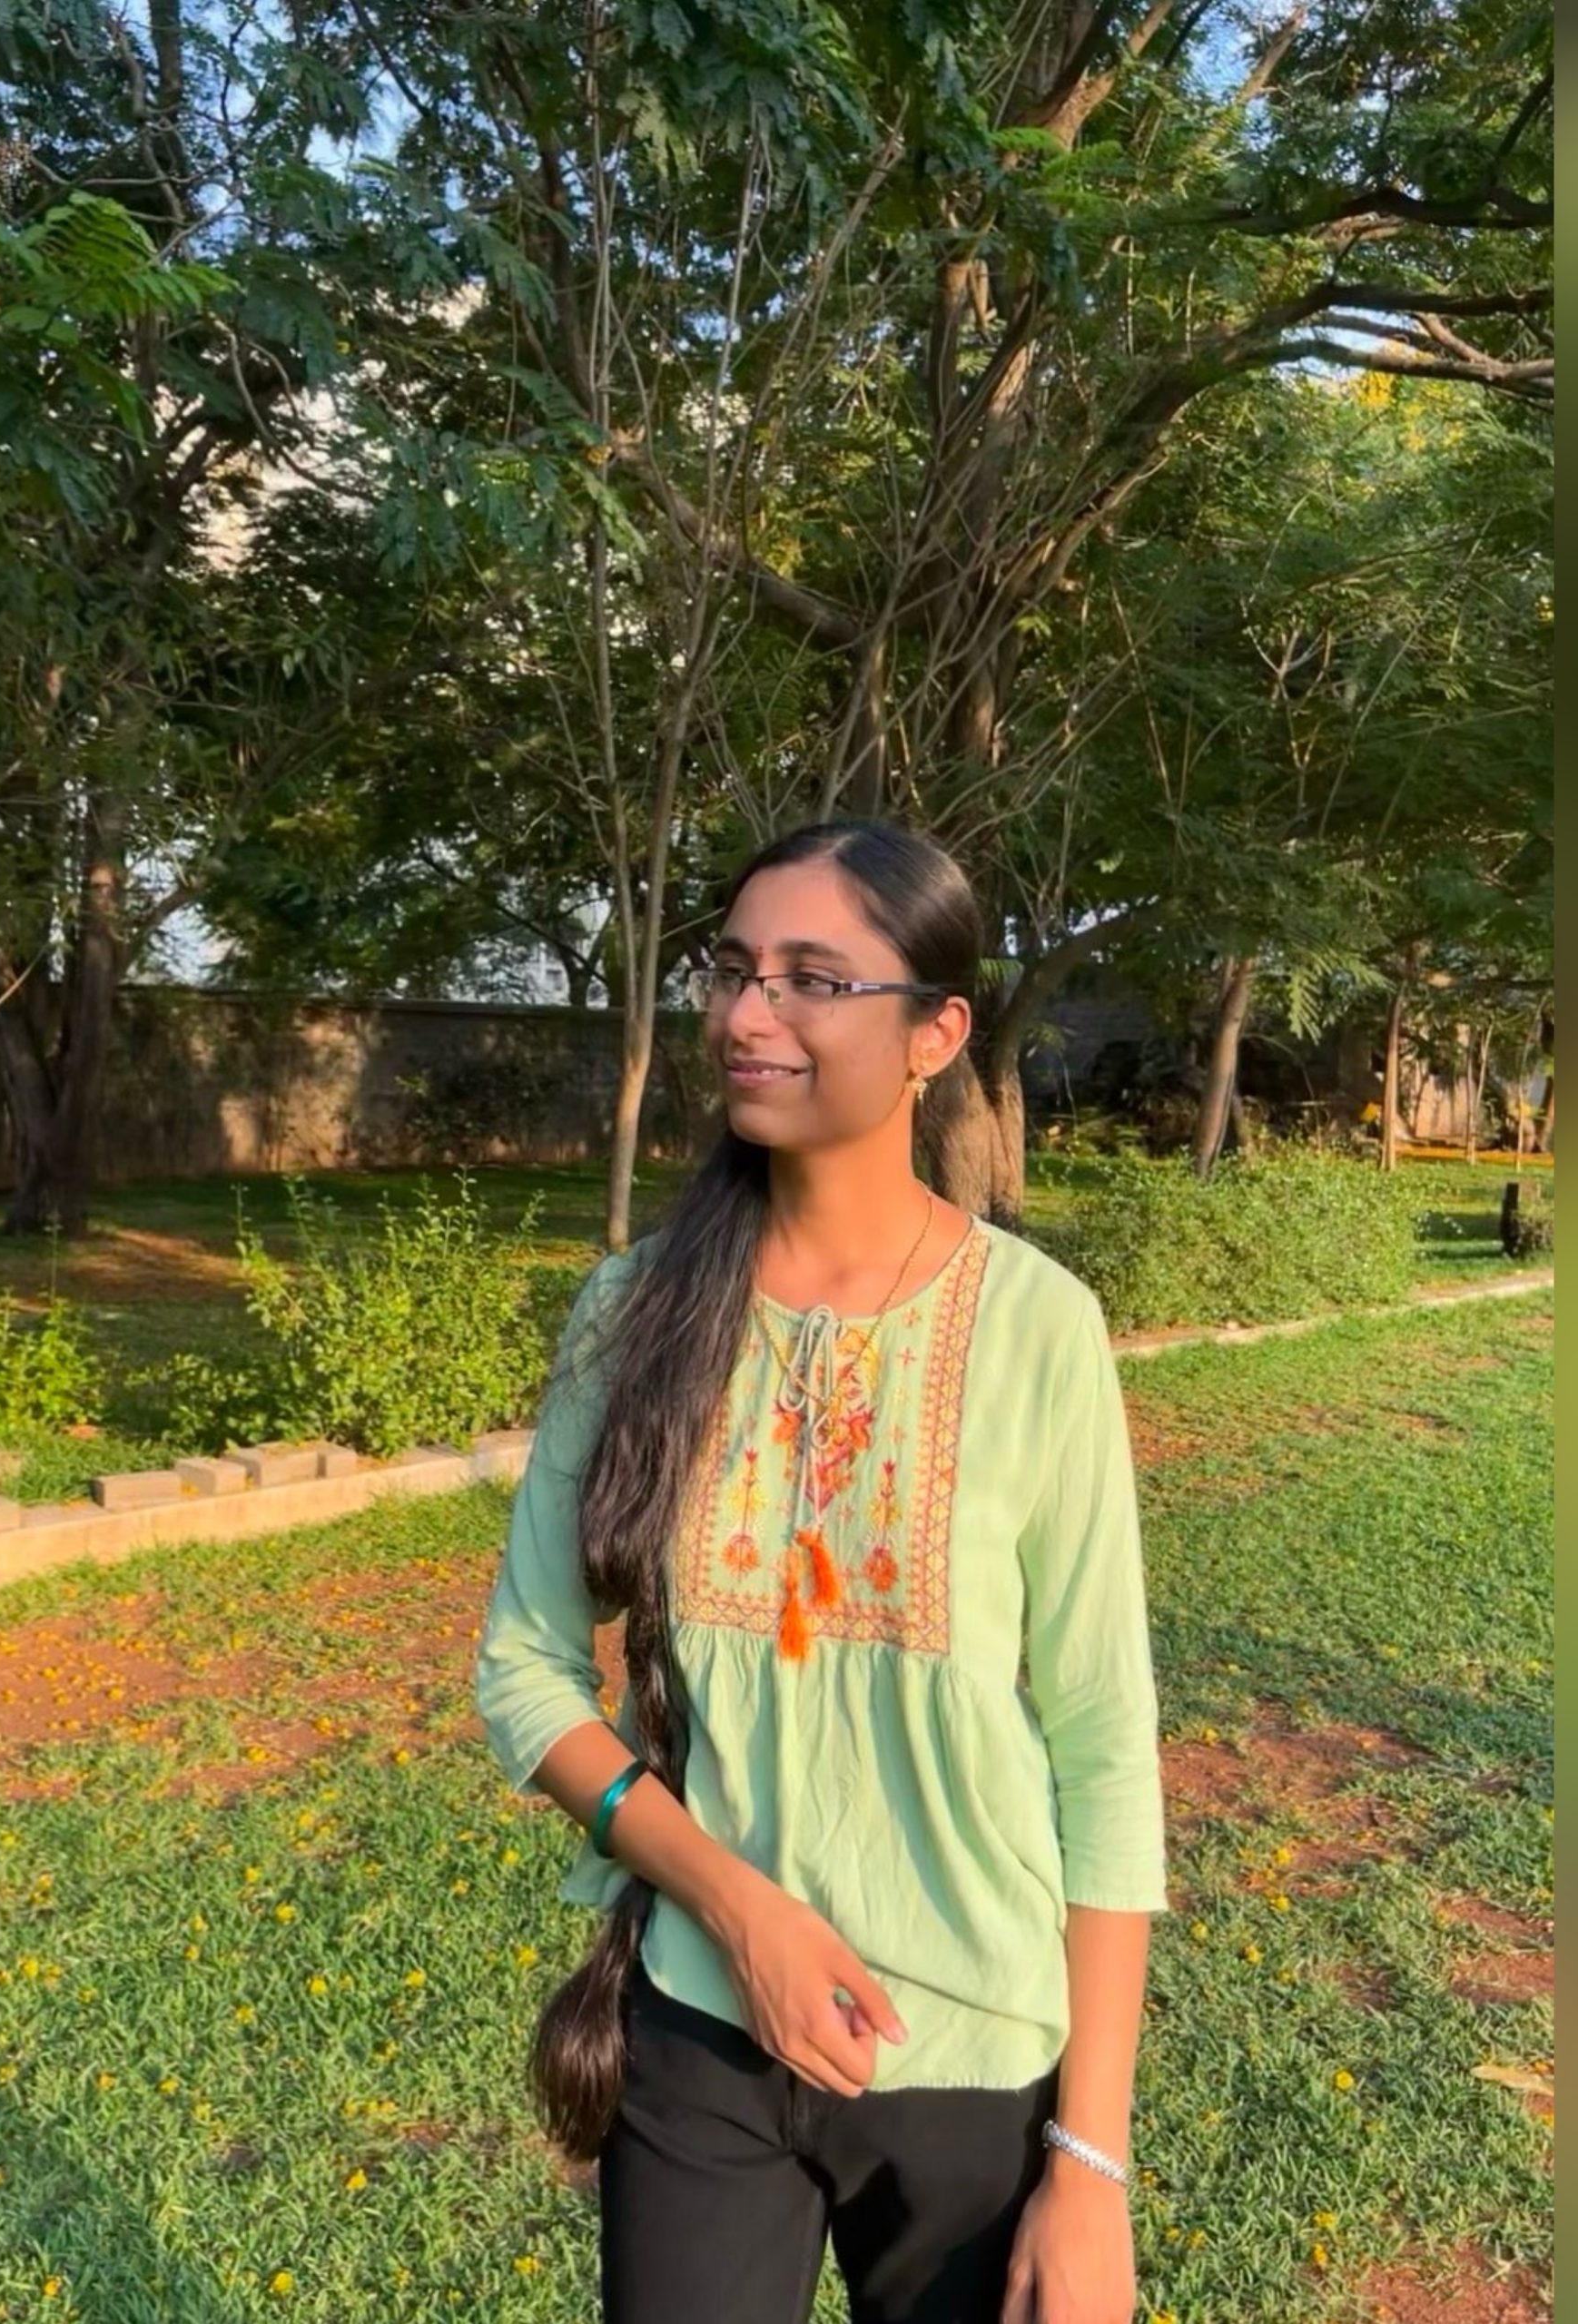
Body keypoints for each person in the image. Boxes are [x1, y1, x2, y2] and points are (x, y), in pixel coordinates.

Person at [472, 820, 1169, 2324]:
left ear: (936, 1034)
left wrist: (1090, 2162)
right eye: (732, 970)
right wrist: (741, 1912)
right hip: (698, 2031)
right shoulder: (635, 1312)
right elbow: (525, 1671)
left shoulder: (1037, 1329)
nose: (747, 1013)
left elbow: (1106, 1748)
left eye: (811, 978)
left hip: (974, 2058)